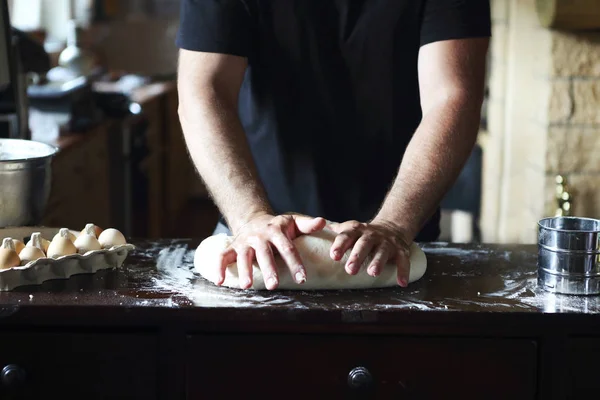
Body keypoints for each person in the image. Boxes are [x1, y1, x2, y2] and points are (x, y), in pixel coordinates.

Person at [176, 0, 490, 290]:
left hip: (400, 239)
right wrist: (249, 218)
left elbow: (452, 98)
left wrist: (395, 223)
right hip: (253, 235)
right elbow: (204, 92)